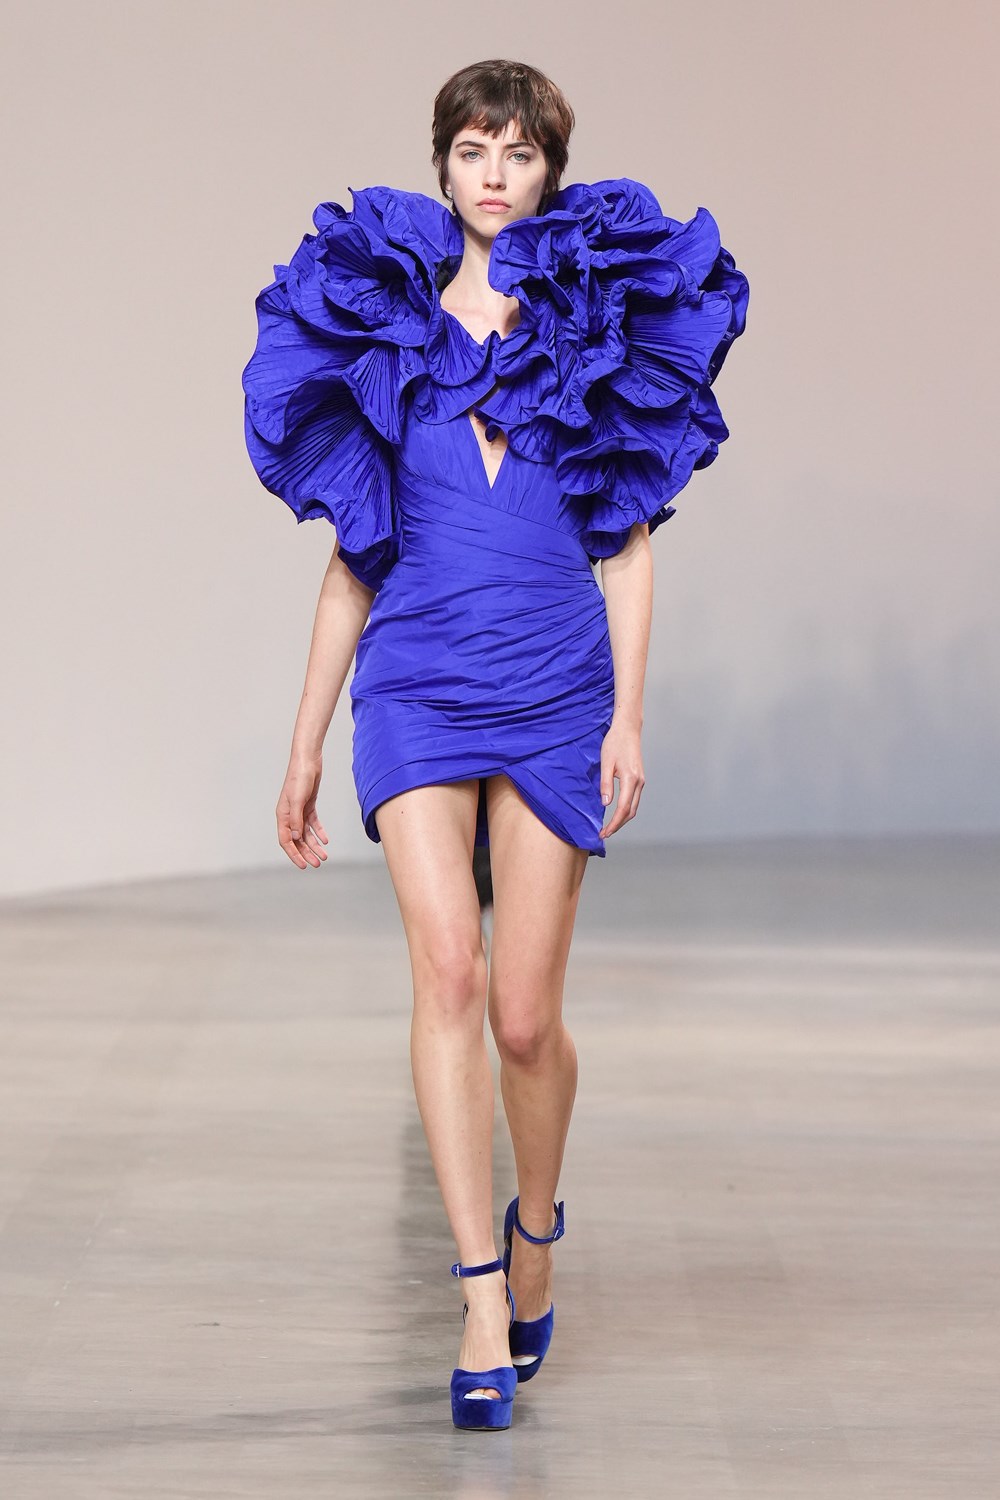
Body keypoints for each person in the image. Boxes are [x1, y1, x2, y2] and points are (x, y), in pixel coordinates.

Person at [242, 58, 749, 1431]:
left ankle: (536, 1224)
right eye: (474, 149)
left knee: (524, 1016)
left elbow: (626, 542)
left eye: (519, 154)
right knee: (448, 974)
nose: (494, 174)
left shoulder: (592, 328)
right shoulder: (386, 328)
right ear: (443, 164)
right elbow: (353, 559)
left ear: (548, 175)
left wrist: (630, 713)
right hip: (414, 682)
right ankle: (476, 1292)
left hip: (553, 688)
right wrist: (303, 747)